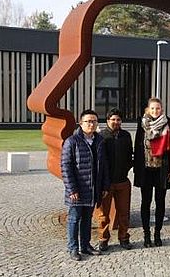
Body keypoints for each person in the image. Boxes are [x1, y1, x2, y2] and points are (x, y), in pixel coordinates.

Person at [61, 109, 110, 261]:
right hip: (77, 189)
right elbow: (65, 166)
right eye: (88, 121)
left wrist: (104, 186)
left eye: (94, 121)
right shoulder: (72, 141)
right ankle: (73, 248)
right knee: (74, 219)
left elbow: (104, 166)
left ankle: (86, 245)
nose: (91, 124)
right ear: (81, 123)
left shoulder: (100, 141)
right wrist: (72, 189)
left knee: (87, 219)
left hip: (93, 188)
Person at [134, 98, 170, 248]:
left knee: (160, 202)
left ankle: (157, 233)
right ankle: (146, 234)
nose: (155, 111)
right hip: (146, 170)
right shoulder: (142, 124)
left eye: (158, 108)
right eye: (153, 109)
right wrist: (136, 168)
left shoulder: (169, 123)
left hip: (162, 169)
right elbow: (138, 146)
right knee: (145, 202)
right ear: (148, 110)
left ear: (162, 109)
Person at [95, 108, 133, 251]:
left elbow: (130, 155)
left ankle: (124, 238)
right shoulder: (101, 136)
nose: (116, 122)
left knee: (124, 213)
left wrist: (125, 169)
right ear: (108, 121)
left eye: (118, 119)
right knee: (103, 214)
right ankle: (103, 239)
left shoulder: (126, 135)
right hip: (106, 183)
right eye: (113, 119)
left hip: (123, 181)